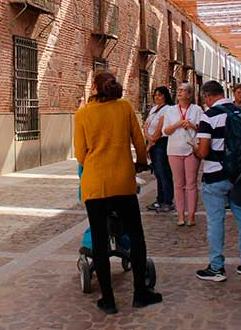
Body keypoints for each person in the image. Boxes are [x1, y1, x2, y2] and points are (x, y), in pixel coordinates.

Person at [74, 72, 162, 314]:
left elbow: (81, 154)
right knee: (136, 235)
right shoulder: (124, 107)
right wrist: (141, 162)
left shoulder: (82, 114)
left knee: (100, 242)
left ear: (94, 88)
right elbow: (140, 143)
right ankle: (140, 293)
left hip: (95, 184)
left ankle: (108, 300)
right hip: (123, 182)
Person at [193, 80, 241, 282]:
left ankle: (217, 267)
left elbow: (203, 151)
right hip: (240, 176)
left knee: (215, 221)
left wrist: (194, 148)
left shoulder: (209, 116)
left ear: (208, 96)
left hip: (215, 176)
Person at [162, 82, 203, 227]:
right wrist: (178, 124)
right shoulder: (171, 111)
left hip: (192, 149)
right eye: (178, 90)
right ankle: (180, 215)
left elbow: (203, 128)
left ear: (190, 95)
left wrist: (191, 125)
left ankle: (191, 215)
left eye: (184, 90)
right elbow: (165, 131)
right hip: (174, 150)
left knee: (191, 184)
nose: (180, 92)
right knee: (178, 184)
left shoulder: (197, 110)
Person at [144, 87, 174, 212]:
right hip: (152, 143)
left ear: (165, 96)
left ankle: (167, 201)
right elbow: (145, 125)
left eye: (160, 95)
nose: (157, 97)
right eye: (155, 95)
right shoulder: (153, 109)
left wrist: (151, 143)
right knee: (157, 173)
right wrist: (148, 138)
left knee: (164, 173)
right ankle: (160, 199)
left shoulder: (167, 110)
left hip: (160, 144)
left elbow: (159, 129)